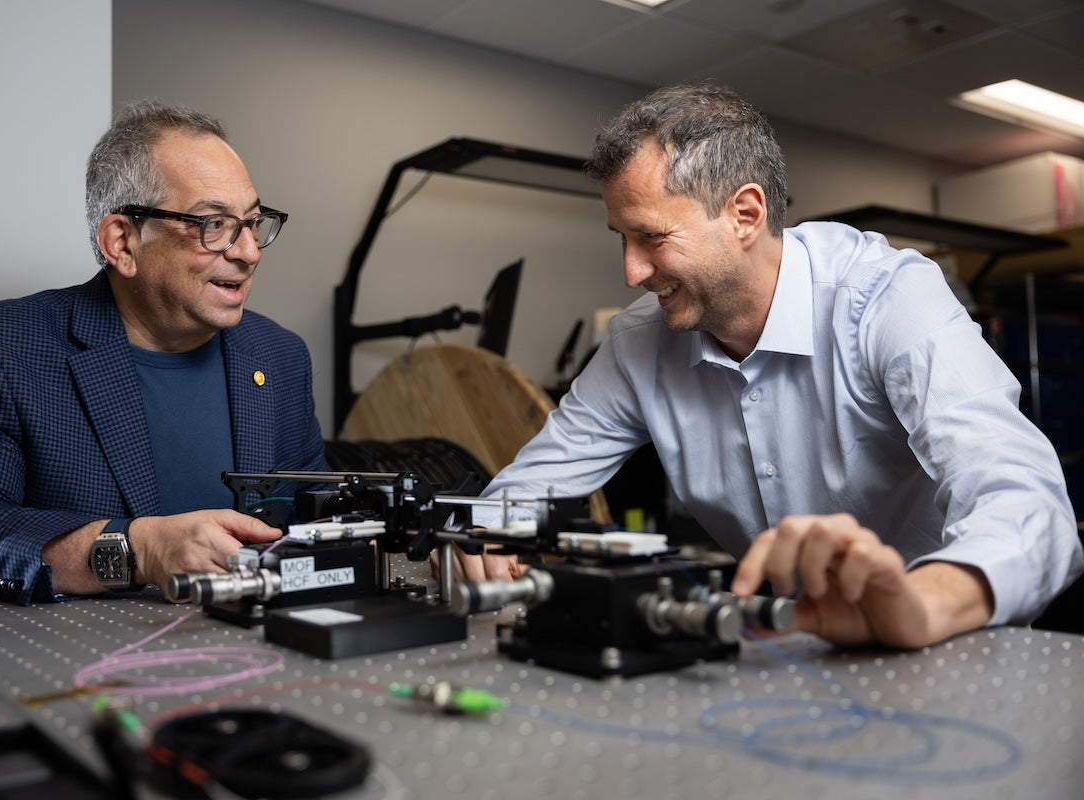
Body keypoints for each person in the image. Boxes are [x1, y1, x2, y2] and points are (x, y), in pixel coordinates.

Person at [459, 82, 1082, 649]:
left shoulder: (886, 298)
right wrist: (481, 536)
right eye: (621, 238)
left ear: (745, 215)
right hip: (794, 648)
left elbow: (1026, 504)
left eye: (651, 237)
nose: (632, 272)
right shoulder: (637, 346)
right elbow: (525, 491)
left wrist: (922, 603)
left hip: (951, 641)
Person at [0, 101, 328, 604]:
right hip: (86, 670)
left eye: (252, 223)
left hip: (256, 662)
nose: (248, 252)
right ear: (122, 242)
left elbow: (316, 516)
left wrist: (414, 549)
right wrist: (138, 549)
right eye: (214, 224)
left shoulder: (279, 356)